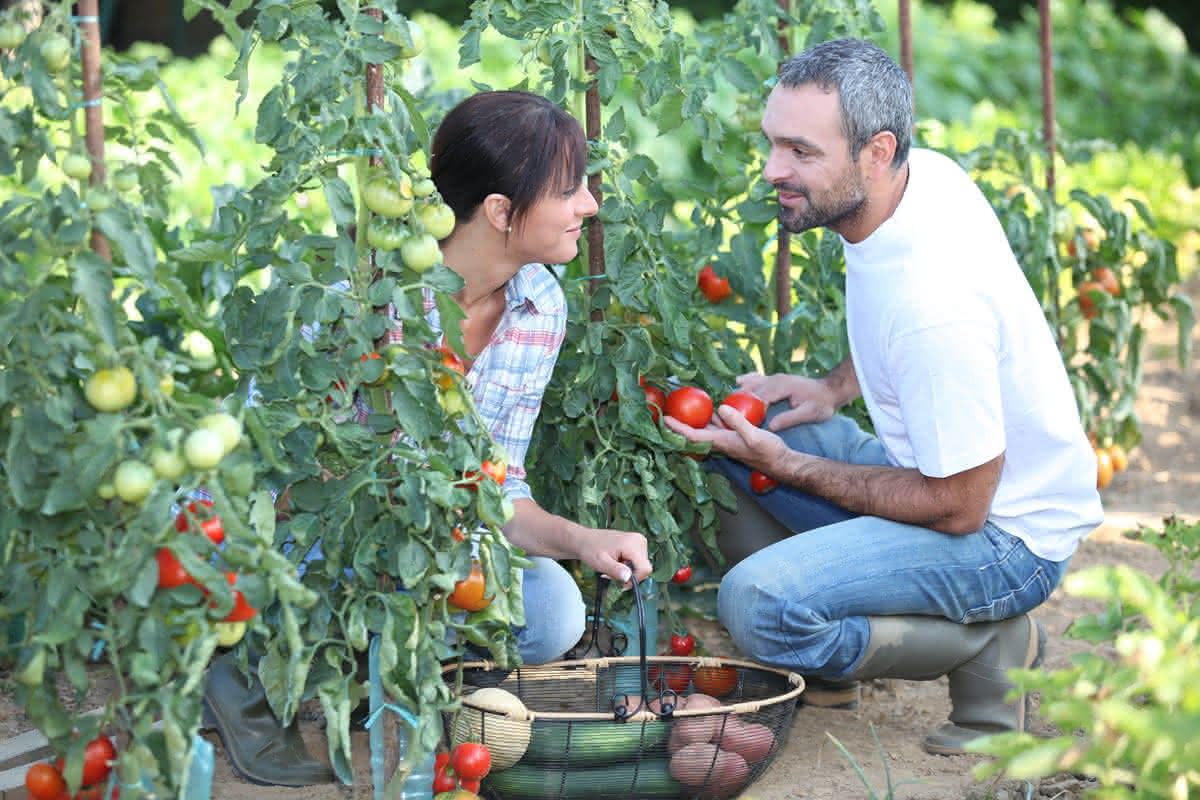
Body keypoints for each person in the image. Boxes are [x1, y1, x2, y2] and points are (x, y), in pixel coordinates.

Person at [665, 39, 1103, 756]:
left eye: (801, 152)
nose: (774, 169)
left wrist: (792, 466)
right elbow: (889, 316)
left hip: (1004, 540)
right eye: (774, 143)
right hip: (958, 489)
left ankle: (989, 644)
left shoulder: (934, 305)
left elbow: (960, 506)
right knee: (746, 432)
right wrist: (833, 387)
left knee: (756, 602)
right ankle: (834, 651)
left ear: (876, 151)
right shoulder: (921, 181)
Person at [203, 90, 653, 786]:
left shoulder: (541, 307)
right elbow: (270, 470)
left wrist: (581, 540)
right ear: (501, 212)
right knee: (285, 573)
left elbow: (497, 484)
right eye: (569, 191)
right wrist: (387, 520)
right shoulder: (361, 297)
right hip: (311, 528)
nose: (590, 204)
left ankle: (354, 653)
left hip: (426, 543)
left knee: (553, 611)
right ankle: (246, 670)